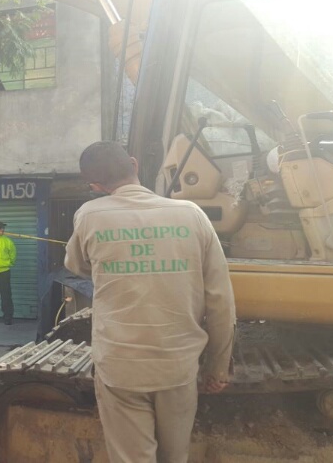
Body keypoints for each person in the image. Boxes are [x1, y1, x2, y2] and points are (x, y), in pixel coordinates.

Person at [64, 141, 236, 463]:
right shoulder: (192, 214)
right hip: (178, 366)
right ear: (134, 163)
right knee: (175, 456)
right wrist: (218, 367)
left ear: (95, 185)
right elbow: (221, 301)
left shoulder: (89, 215)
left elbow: (77, 264)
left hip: (120, 367)